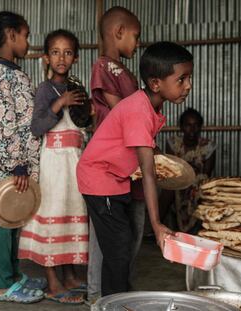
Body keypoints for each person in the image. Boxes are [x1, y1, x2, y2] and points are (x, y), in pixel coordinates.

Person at [77, 41, 193, 296]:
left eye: (189, 78)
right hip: (99, 178)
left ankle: (116, 298)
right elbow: (148, 172)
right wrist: (157, 223)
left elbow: (146, 152)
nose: (188, 86)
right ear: (155, 84)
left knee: (121, 247)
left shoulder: (150, 105)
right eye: (182, 79)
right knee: (118, 250)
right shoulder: (139, 109)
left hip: (115, 178)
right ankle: (112, 301)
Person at [0, 11, 45, 304]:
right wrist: (17, 162)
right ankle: (0, 285)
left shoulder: (14, 71)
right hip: (8, 164)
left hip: (19, 163)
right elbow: (4, 124)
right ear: (11, 34)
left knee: (14, 218)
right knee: (1, 221)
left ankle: (13, 275)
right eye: (26, 35)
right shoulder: (1, 74)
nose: (29, 41)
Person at [18, 29, 88, 305]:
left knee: (70, 215)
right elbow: (37, 128)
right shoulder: (47, 90)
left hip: (72, 165)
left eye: (67, 52)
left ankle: (69, 275)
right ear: (46, 58)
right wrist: (60, 103)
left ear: (76, 57)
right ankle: (53, 282)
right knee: (53, 217)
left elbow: (81, 124)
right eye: (55, 52)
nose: (61, 57)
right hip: (53, 166)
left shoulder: (75, 87)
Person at [87, 6, 143, 303]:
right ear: (118, 32)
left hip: (130, 162)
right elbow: (120, 108)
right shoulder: (103, 66)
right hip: (109, 167)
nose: (137, 43)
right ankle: (99, 296)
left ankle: (120, 292)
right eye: (136, 36)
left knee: (128, 236)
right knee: (107, 239)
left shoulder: (125, 71)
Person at [159, 108, 216, 232]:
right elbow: (170, 168)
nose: (192, 130)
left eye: (196, 125)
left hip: (197, 183)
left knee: (204, 191)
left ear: (200, 127)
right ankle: (156, 226)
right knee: (168, 190)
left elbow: (206, 174)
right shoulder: (173, 143)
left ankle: (203, 230)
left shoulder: (208, 146)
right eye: (188, 125)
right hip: (178, 181)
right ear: (181, 127)